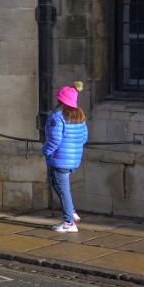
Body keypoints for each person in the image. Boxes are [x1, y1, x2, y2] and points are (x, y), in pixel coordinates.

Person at [41, 80, 88, 233]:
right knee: (57, 185)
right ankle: (72, 212)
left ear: (61, 100)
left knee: (63, 189)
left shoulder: (58, 117)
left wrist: (45, 150)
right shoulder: (79, 116)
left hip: (60, 158)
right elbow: (84, 137)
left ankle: (69, 222)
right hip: (73, 159)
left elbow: (54, 139)